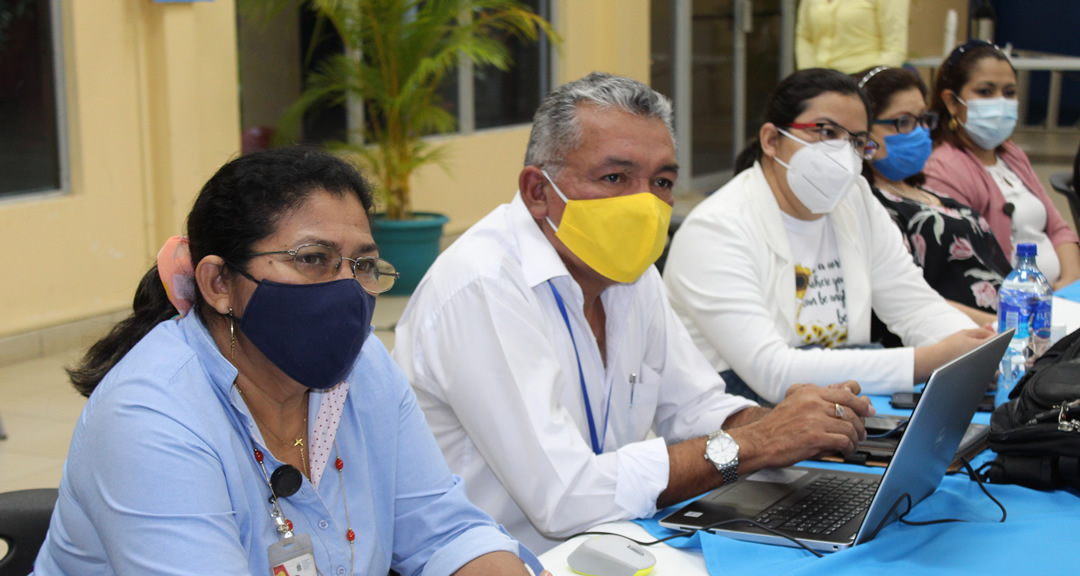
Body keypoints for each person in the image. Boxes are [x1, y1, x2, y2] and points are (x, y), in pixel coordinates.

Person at [393, 72, 875, 554]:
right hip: (509, 560)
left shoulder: (629, 271)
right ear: (538, 191)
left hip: (615, 542)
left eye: (662, 181)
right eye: (614, 177)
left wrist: (792, 424)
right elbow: (564, 497)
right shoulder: (483, 284)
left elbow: (693, 407)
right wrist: (761, 442)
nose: (645, 204)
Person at [33, 148, 544, 576]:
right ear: (219, 284)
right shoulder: (149, 418)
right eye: (312, 258)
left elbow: (445, 532)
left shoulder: (363, 365)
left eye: (362, 264)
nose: (346, 288)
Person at [662, 68, 992, 406]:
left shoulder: (855, 199)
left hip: (837, 409)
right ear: (771, 140)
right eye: (825, 131)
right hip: (739, 426)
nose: (842, 153)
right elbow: (773, 373)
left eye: (856, 141)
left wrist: (973, 347)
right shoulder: (716, 229)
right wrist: (927, 361)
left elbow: (914, 305)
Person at [856, 65, 1011, 329]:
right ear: (863, 132)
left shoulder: (926, 192)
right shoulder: (871, 205)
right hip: (968, 335)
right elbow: (911, 300)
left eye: (922, 119)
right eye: (904, 122)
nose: (919, 132)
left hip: (1012, 324)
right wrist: (1009, 326)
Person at [923, 40, 1080, 290]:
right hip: (1014, 306)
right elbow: (971, 264)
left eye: (1009, 93)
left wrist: (1070, 282)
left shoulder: (1011, 153)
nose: (1000, 102)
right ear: (952, 102)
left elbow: (1059, 229)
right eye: (985, 92)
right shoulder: (942, 168)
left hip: (1061, 295)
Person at [795, 0, 909, 74]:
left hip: (864, 84)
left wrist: (870, 84)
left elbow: (894, 49)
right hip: (819, 83)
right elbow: (805, 36)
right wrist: (808, 76)